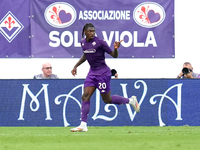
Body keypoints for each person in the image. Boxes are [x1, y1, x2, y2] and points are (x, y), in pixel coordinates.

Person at [70, 23, 140, 132]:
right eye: (90, 31)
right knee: (85, 95)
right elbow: (86, 54)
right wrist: (76, 66)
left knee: (107, 100)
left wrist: (116, 48)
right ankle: (83, 125)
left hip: (103, 74)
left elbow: (114, 55)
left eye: (93, 31)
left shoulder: (100, 42)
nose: (92, 33)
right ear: (85, 32)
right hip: (92, 73)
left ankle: (130, 101)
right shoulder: (83, 42)